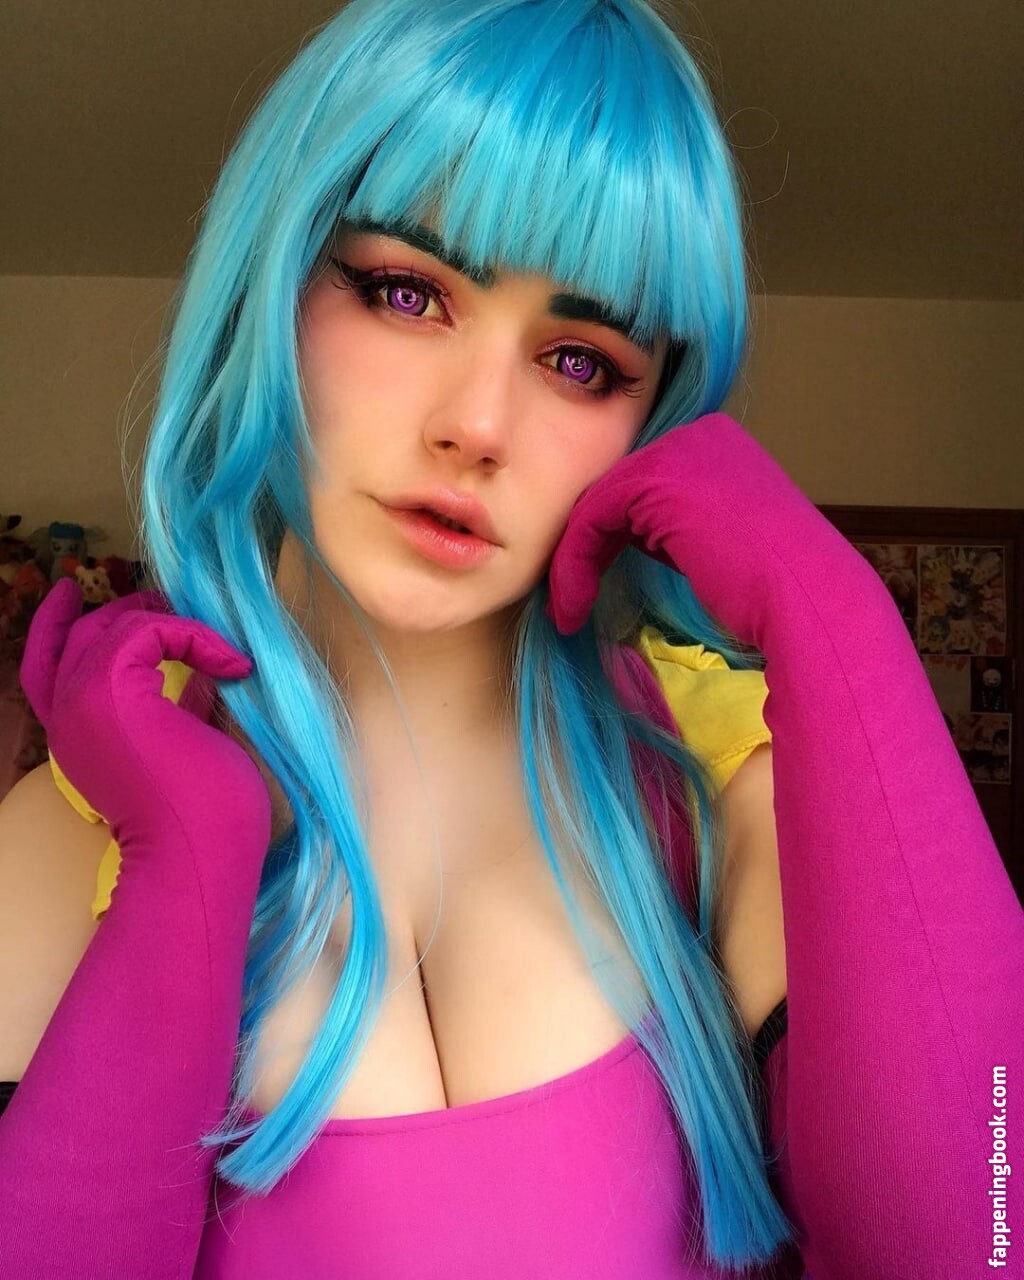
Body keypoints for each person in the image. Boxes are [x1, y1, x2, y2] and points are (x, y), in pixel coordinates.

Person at [0, 1, 1020, 1276]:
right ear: (272, 282)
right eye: (405, 291)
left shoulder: (723, 780)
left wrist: (834, 613)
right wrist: (183, 874)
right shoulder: (84, 831)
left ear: (655, 412)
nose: (477, 424)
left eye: (580, 361)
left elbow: (980, 1234)